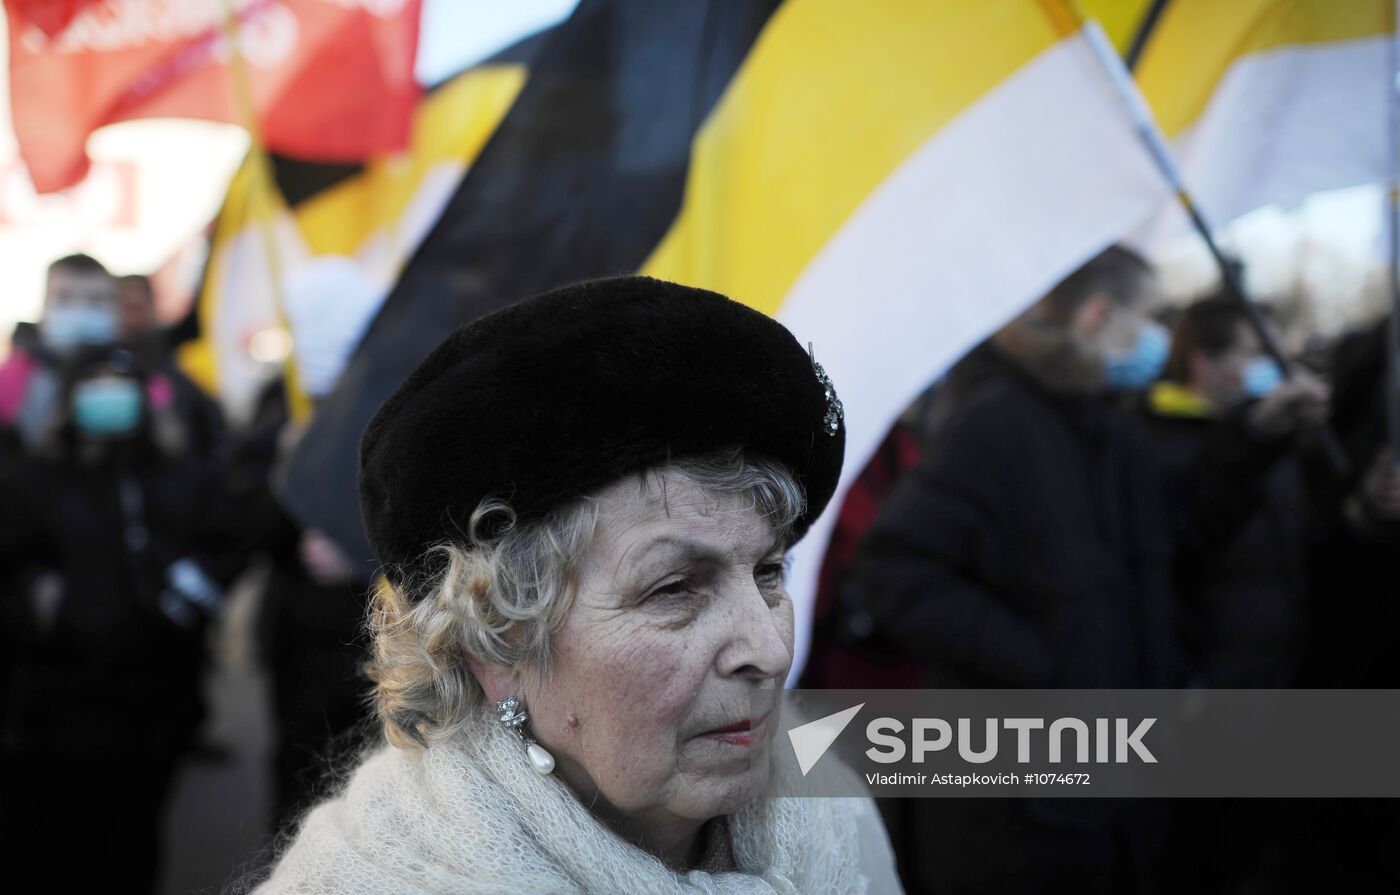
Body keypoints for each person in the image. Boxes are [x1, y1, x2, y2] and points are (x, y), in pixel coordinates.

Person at [251, 276, 901, 893]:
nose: (770, 649)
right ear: (499, 647)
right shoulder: (367, 877)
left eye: (768, 573)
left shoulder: (834, 809)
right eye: (674, 588)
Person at [849, 247, 1328, 893]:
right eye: (1140, 319)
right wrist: (1039, 662)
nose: (1153, 339)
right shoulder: (994, 423)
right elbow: (895, 569)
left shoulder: (1109, 425)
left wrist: (1254, 440)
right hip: (1016, 806)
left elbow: (1174, 536)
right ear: (1099, 315)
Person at [0, 344, 241, 895]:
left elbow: (226, 545)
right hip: (52, 704)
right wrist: (38, 600)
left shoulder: (182, 476)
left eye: (119, 382)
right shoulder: (33, 478)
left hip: (152, 702)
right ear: (69, 399)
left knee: (130, 843)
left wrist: (187, 598)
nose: (107, 395)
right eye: (94, 383)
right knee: (45, 845)